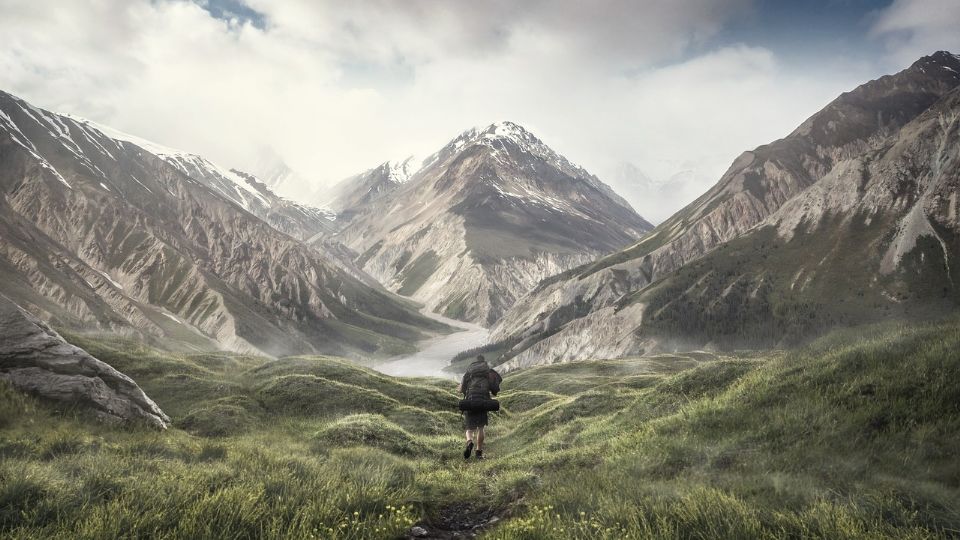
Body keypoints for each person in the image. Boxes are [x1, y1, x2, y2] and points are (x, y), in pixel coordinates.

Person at [458, 354, 502, 460]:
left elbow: (462, 389)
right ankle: (478, 453)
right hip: (483, 402)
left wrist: (461, 389)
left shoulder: (468, 374)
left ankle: (469, 442)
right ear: (484, 362)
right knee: (481, 428)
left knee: (469, 429)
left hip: (470, 401)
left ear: (475, 362)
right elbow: (495, 390)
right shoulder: (488, 373)